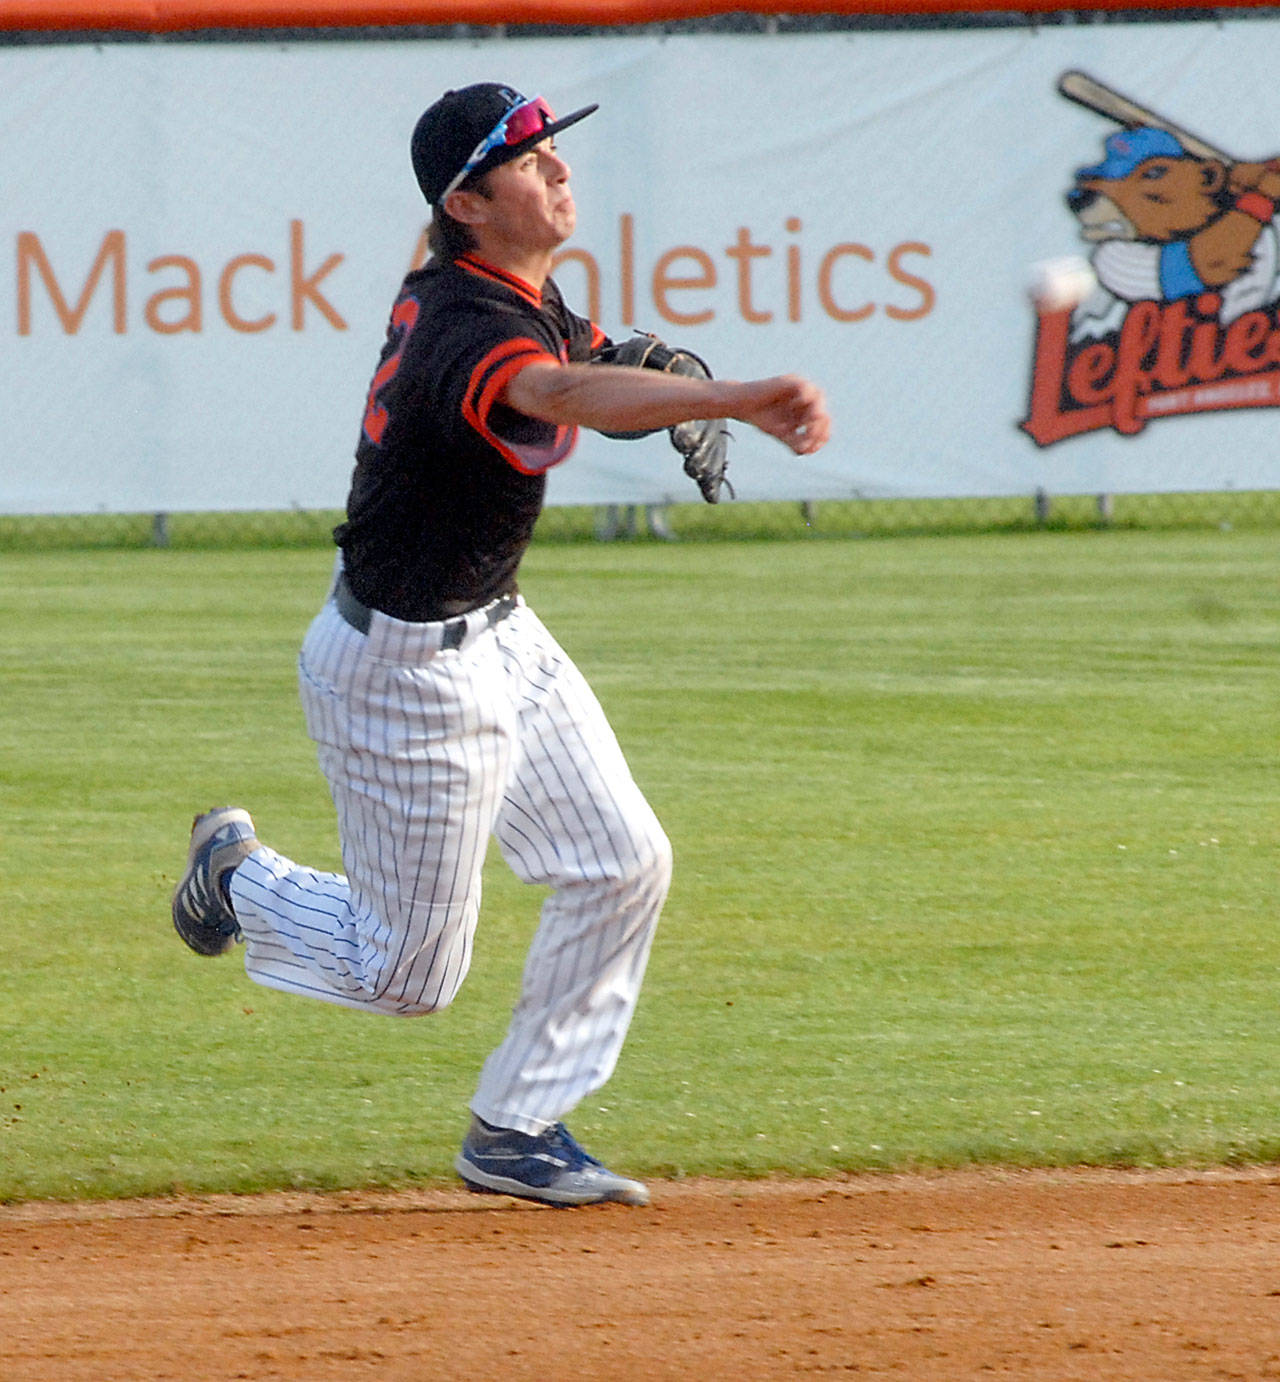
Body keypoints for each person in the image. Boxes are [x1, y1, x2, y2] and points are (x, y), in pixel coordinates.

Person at [172, 83, 831, 1208]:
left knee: (622, 861)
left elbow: (581, 349)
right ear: (468, 202)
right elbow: (554, 385)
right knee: (406, 975)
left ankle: (517, 1126)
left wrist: (657, 364)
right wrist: (725, 393)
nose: (559, 170)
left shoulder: (500, 285)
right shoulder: (467, 330)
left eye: (553, 152)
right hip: (405, 674)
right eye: (527, 159)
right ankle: (239, 877)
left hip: (501, 635)